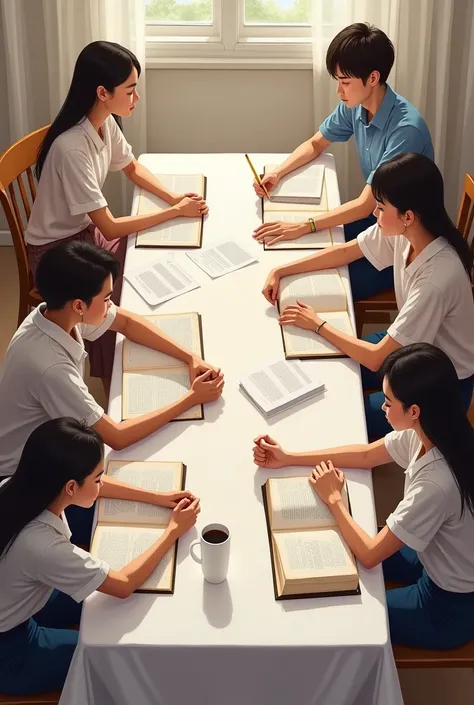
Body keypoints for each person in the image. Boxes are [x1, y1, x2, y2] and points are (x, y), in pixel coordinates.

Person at [253, 344, 474, 649]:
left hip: (448, 607)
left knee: (350, 614)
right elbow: (368, 455)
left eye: (388, 402)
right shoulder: (433, 431)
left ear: (413, 411)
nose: (382, 408)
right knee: (347, 552)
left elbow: (370, 555)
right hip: (435, 558)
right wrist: (289, 457)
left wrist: (334, 499)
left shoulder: (435, 484)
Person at [0, 241, 223, 542]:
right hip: (25, 478)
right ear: (79, 305)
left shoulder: (53, 314)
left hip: (46, 447)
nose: (110, 304)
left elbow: (127, 322)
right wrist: (191, 398)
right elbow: (116, 436)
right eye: (106, 298)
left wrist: (189, 358)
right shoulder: (50, 368)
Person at [25, 40, 208, 377]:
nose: (136, 99)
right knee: (116, 291)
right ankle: (113, 379)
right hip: (56, 252)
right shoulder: (71, 148)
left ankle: (155, 336)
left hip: (82, 233)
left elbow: (132, 168)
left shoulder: (104, 121)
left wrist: (172, 197)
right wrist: (174, 212)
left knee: (151, 254)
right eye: (130, 91)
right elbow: (108, 227)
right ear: (102, 92)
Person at [262, 153, 474, 439]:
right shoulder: (407, 232)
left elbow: (377, 359)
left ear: (408, 216)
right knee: (329, 371)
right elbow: (348, 251)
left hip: (439, 386)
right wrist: (282, 270)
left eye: (380, 207)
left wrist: (318, 324)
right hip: (408, 348)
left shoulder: (435, 279)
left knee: (348, 412)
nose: (374, 213)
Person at [0, 417, 200, 695]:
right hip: (11, 652)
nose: (101, 482)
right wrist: (173, 531)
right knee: (112, 657)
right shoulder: (43, 546)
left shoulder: (17, 487)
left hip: (21, 600)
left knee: (101, 613)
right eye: (96, 476)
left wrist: (156, 497)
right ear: (71, 487)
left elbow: (94, 486)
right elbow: (123, 584)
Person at [253, 22, 433, 301]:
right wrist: (278, 172)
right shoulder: (357, 106)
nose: (339, 91)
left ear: (373, 78)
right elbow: (316, 143)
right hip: (380, 223)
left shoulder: (405, 131)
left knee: (319, 285)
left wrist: (304, 225)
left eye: (345, 82)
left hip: (405, 243)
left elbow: (365, 205)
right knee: (303, 250)